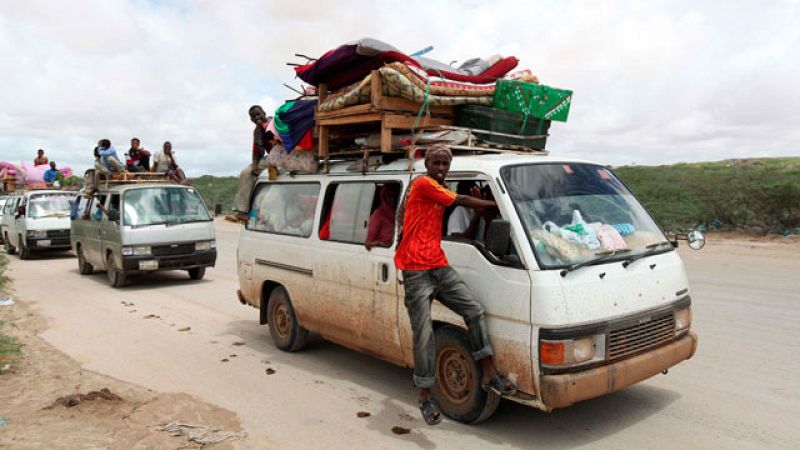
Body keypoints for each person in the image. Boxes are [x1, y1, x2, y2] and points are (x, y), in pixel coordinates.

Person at [395, 144, 516, 426]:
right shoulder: (424, 183)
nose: (440, 169)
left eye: (444, 164)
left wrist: (484, 208)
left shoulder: (439, 186)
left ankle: (489, 373)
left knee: (474, 311)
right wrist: (500, 205)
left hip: (438, 264)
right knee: (423, 335)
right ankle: (425, 397)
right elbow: (460, 200)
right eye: (436, 163)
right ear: (427, 164)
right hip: (415, 269)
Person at [229, 105, 275, 223]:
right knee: (246, 172)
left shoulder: (275, 122)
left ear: (264, 113)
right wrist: (255, 167)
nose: (256, 117)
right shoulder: (257, 131)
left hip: (284, 154)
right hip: (271, 157)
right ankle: (242, 210)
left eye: (258, 114)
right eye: (253, 117)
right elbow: (257, 153)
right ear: (251, 120)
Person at [365, 184, 400, 250]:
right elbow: (369, 242)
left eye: (395, 196)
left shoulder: (400, 213)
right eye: (389, 197)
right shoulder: (378, 214)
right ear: (384, 198)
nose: (392, 199)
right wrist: (379, 243)